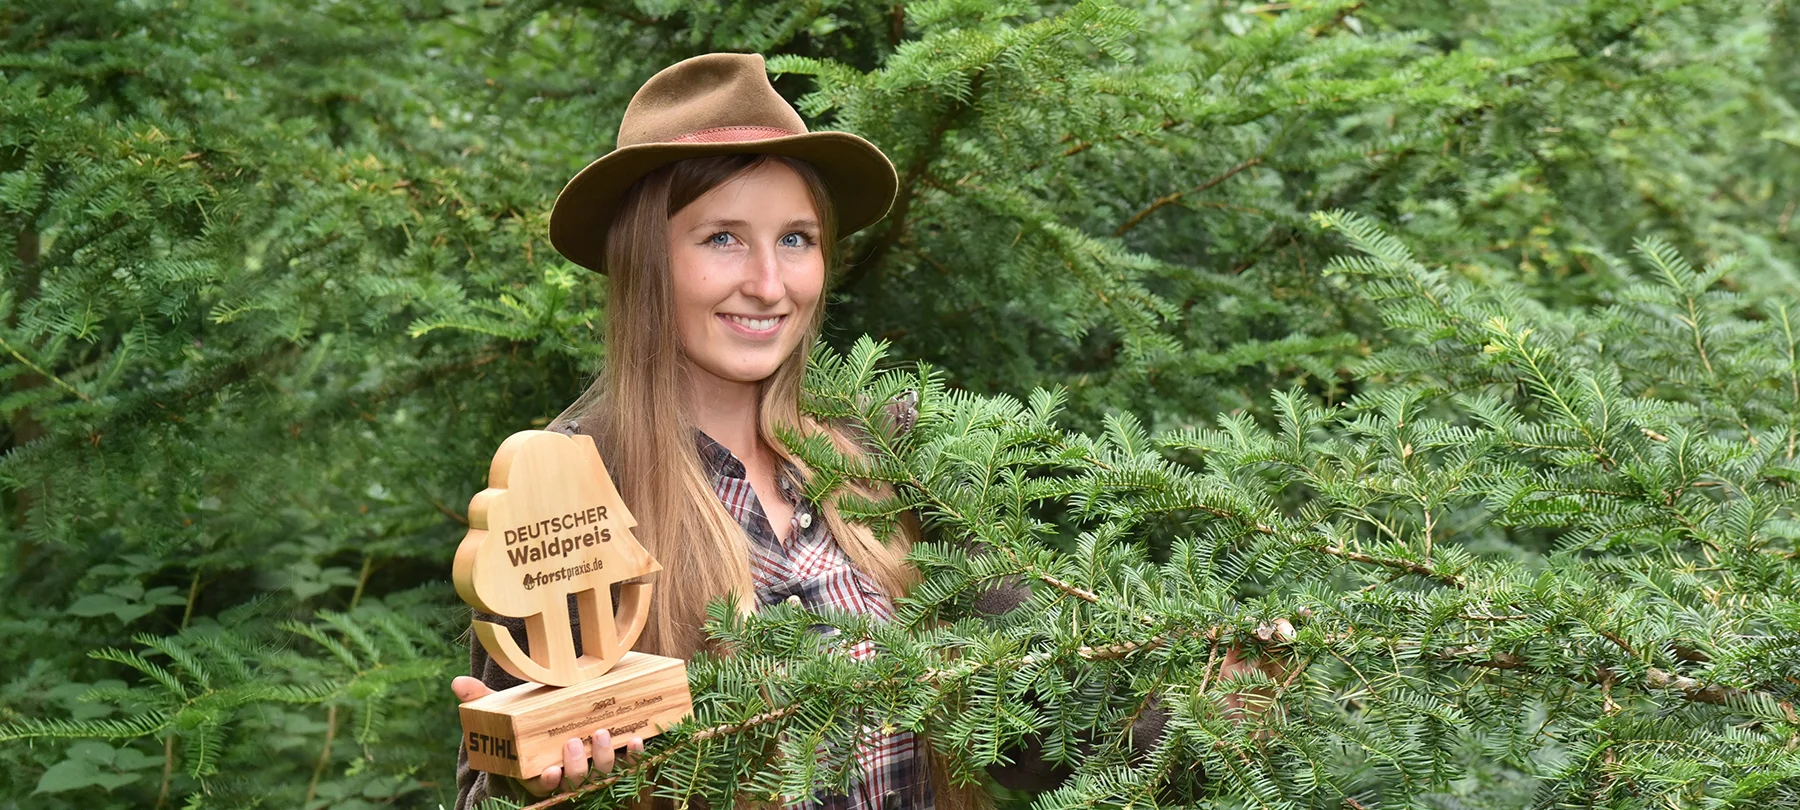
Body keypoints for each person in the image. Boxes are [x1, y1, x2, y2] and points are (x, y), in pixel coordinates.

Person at [451, 51, 1267, 810]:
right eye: (722, 238)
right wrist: (545, 789)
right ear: (645, 260)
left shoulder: (877, 456)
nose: (769, 284)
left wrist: (1214, 710)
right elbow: (500, 775)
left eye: (796, 239)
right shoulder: (571, 490)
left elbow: (1029, 713)